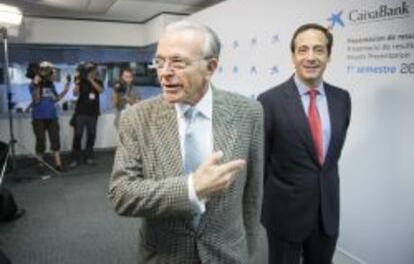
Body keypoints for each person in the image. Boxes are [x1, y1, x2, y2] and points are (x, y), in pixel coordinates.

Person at [108, 21, 264, 264]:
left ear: (210, 67)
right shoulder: (136, 118)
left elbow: (252, 194)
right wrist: (191, 189)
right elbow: (122, 194)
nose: (164, 72)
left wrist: (248, 250)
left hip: (229, 254)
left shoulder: (248, 112)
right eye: (159, 62)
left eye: (178, 62)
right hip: (164, 255)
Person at [258, 23, 352, 264]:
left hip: (327, 213)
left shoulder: (342, 99)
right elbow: (262, 161)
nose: (311, 57)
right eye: (303, 50)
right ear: (293, 56)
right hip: (285, 214)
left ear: (329, 56)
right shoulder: (269, 101)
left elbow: (331, 157)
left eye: (319, 50)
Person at [29, 61, 70, 172]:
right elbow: (36, 100)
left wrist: (66, 90)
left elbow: (55, 99)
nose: (52, 74)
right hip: (38, 117)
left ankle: (58, 164)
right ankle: (40, 164)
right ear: (42, 71)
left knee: (55, 140)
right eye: (50, 72)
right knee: (41, 141)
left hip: (52, 117)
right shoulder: (32, 84)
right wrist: (38, 85)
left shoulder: (51, 85)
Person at [69, 62, 103, 167]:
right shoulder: (81, 80)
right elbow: (75, 93)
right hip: (81, 112)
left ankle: (89, 157)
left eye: (93, 70)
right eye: (89, 70)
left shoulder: (98, 80)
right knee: (78, 135)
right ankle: (75, 158)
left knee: (91, 135)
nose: (92, 72)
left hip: (93, 113)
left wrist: (91, 79)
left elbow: (100, 90)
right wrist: (78, 83)